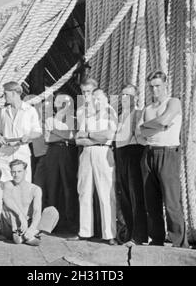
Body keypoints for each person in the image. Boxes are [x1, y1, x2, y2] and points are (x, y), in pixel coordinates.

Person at [139, 71, 188, 248]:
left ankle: (180, 244)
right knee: (151, 203)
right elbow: (141, 132)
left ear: (165, 84)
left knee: (171, 202)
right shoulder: (148, 108)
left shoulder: (173, 102)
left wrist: (152, 125)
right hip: (148, 154)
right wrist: (158, 125)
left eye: (158, 85)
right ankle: (157, 240)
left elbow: (164, 120)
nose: (155, 89)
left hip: (168, 154)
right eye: (152, 86)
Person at [69, 80, 118, 245]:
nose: (87, 96)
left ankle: (109, 234)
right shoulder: (82, 111)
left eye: (89, 92)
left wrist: (89, 134)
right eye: (83, 92)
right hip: (86, 154)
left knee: (105, 194)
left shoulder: (109, 111)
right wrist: (92, 137)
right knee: (84, 192)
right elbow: (77, 139)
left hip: (103, 152)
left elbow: (107, 135)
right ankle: (85, 231)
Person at [114, 84, 147, 245]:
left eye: (129, 95)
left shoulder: (139, 113)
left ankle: (139, 236)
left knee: (136, 197)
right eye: (123, 95)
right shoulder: (120, 116)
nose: (125, 98)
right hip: (120, 155)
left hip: (134, 154)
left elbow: (139, 136)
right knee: (124, 196)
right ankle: (129, 232)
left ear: (137, 97)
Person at [41, 93, 79, 233]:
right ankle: (51, 222)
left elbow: (73, 137)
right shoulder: (49, 119)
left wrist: (55, 132)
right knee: (52, 185)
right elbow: (47, 139)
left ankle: (70, 221)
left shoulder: (74, 120)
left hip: (68, 152)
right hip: (53, 152)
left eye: (65, 102)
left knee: (68, 186)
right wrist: (64, 135)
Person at [0, 159, 59, 246]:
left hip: (29, 223)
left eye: (19, 171)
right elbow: (7, 200)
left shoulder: (35, 189)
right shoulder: (8, 185)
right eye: (13, 172)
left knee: (52, 211)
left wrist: (32, 228)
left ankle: (29, 234)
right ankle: (22, 234)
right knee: (5, 208)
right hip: (13, 224)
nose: (16, 175)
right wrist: (21, 216)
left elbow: (36, 211)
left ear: (25, 172)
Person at [0, 81, 41, 182]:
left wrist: (28, 136)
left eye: (5, 94)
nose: (4, 97)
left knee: (23, 182)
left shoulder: (30, 110)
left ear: (14, 93)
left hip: (22, 150)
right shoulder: (3, 111)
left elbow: (37, 131)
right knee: (5, 182)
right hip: (5, 151)